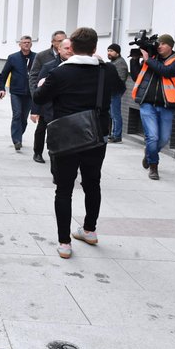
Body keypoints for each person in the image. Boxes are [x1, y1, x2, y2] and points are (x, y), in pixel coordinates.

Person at [33, 27, 119, 259]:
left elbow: (38, 97)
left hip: (67, 136)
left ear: (72, 48)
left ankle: (64, 244)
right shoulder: (106, 70)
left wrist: (42, 86)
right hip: (96, 136)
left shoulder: (60, 73)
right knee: (93, 183)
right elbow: (119, 89)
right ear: (94, 48)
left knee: (64, 190)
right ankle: (89, 230)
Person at [132, 34, 175, 180]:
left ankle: (149, 153)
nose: (160, 46)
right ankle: (153, 166)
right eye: (158, 44)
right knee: (153, 136)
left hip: (166, 105)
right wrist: (136, 59)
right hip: (147, 103)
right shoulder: (151, 58)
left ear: (170, 46)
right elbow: (136, 76)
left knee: (163, 139)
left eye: (163, 44)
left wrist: (148, 60)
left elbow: (167, 72)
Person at [36, 38, 74, 182]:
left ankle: (67, 169)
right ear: (59, 49)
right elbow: (39, 92)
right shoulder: (49, 66)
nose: (69, 51)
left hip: (72, 113)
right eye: (66, 48)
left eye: (72, 48)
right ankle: (57, 172)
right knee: (55, 144)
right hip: (52, 111)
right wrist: (36, 110)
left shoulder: (78, 66)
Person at [28, 31, 67, 163]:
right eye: (59, 41)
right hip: (46, 99)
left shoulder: (71, 58)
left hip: (61, 102)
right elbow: (35, 76)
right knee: (42, 127)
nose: (62, 43)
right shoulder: (43, 57)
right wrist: (36, 97)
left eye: (64, 40)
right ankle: (37, 152)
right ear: (53, 42)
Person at [0, 35, 36, 150]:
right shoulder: (13, 58)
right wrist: (1, 88)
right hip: (16, 92)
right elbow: (4, 74)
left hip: (30, 93)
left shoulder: (36, 57)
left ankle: (19, 135)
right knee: (17, 115)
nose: (26, 44)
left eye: (28, 42)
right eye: (24, 42)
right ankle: (17, 140)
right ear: (20, 44)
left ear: (31, 44)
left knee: (23, 118)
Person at [106, 43, 129, 143]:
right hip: (112, 91)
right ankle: (113, 134)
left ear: (118, 53)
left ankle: (117, 135)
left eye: (111, 51)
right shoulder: (114, 62)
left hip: (115, 91)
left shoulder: (120, 63)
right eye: (108, 51)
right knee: (112, 114)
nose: (109, 53)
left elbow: (121, 79)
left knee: (116, 114)